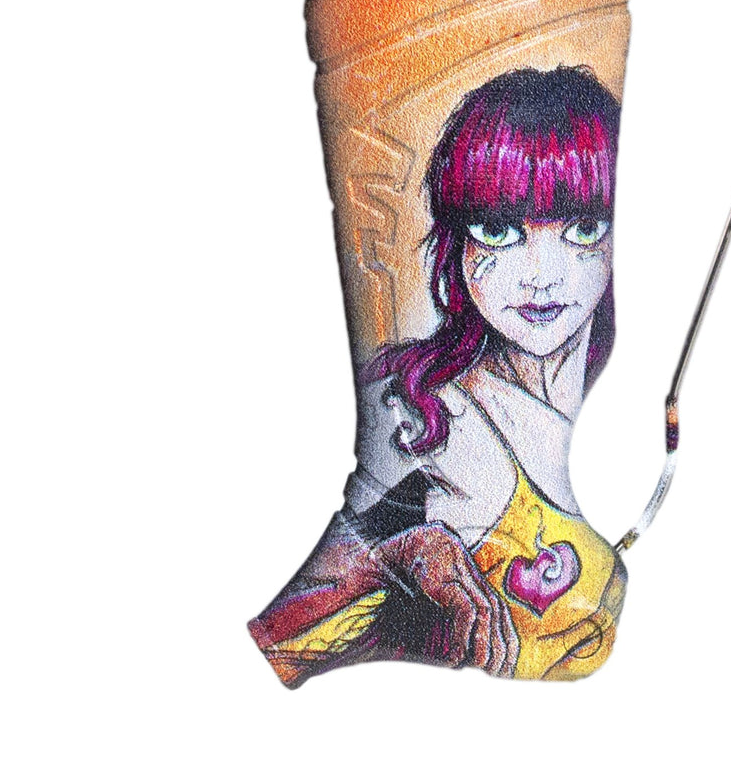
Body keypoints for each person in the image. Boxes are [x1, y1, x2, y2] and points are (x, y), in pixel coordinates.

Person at [248, 66, 627, 685]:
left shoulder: (611, 379)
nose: (540, 276)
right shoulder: (425, 415)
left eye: (582, 228)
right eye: (498, 230)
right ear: (458, 242)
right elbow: (280, 646)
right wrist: (392, 561)